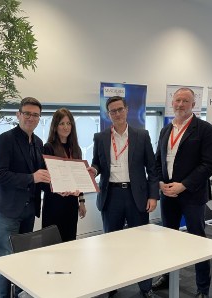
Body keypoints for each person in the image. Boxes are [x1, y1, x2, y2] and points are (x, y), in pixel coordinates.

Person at [88, 96, 159, 298]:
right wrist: (92, 170)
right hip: (111, 196)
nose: (117, 114)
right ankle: (112, 286)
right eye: (112, 111)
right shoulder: (100, 137)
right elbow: (97, 163)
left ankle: (145, 287)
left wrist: (153, 196)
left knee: (140, 244)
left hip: (136, 195)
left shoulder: (141, 135)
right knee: (111, 245)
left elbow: (152, 169)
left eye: (120, 109)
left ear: (127, 110)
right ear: (108, 114)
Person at [152, 88, 212, 298]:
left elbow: (209, 164)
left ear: (193, 104)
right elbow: (157, 160)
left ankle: (203, 288)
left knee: (197, 239)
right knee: (168, 239)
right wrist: (160, 183)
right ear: (172, 102)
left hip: (192, 195)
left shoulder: (205, 129)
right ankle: (169, 277)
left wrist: (184, 185)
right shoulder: (165, 129)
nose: (180, 104)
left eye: (185, 101)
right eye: (177, 100)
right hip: (168, 194)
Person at [0, 97, 51, 298]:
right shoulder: (6, 139)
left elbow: (38, 178)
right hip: (7, 211)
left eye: (35, 115)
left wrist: (58, 183)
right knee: (6, 260)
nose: (31, 118)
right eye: (27, 113)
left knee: (24, 259)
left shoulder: (38, 143)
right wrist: (31, 177)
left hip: (28, 211)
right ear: (18, 114)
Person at [42, 108, 86, 242]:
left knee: (70, 240)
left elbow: (79, 178)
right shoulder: (48, 147)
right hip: (54, 203)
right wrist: (56, 188)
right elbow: (45, 179)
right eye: (62, 123)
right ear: (55, 126)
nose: (66, 127)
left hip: (71, 203)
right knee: (52, 243)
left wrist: (82, 201)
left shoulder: (76, 149)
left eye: (68, 123)